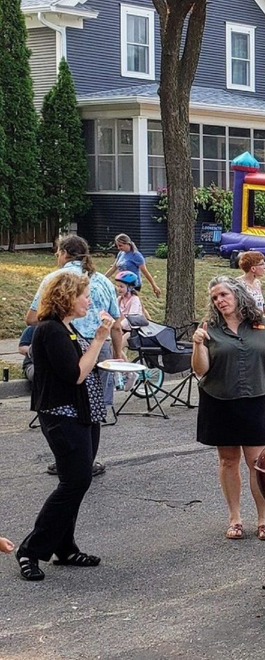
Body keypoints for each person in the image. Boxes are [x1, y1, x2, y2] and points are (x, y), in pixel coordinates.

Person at [18, 272, 116, 581]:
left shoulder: (66, 327)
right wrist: (100, 339)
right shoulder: (49, 330)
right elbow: (75, 374)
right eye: (84, 295)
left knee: (79, 480)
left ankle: (65, 546)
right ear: (66, 298)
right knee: (74, 481)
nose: (89, 300)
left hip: (83, 413)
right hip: (63, 415)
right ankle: (30, 550)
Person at [191, 277, 265, 541]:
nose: (219, 301)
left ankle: (264, 519)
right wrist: (198, 344)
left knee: (257, 462)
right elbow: (201, 370)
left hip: (254, 398)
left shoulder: (262, 324)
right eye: (215, 298)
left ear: (238, 294)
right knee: (228, 460)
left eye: (223, 294)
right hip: (219, 399)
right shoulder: (209, 328)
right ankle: (235, 518)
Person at [28, 235, 122, 476]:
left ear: (64, 253)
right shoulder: (102, 279)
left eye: (57, 252)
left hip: (78, 345)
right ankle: (83, 462)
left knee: (80, 405)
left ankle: (76, 462)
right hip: (94, 348)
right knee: (91, 406)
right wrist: (118, 351)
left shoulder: (55, 279)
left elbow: (32, 318)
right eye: (86, 298)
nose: (88, 302)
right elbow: (117, 324)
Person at [105, 233, 162, 298]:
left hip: (132, 284)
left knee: (132, 303)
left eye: (120, 245)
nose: (118, 248)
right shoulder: (121, 253)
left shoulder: (136, 255)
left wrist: (154, 286)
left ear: (127, 243)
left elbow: (145, 272)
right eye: (117, 246)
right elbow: (113, 268)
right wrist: (103, 277)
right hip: (122, 283)